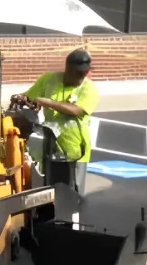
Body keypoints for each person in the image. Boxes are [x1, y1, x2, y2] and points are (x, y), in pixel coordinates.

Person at [11, 47, 98, 198]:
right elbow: (30, 97)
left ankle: (71, 213)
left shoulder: (89, 89)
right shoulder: (49, 79)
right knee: (49, 191)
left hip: (76, 151)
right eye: (77, 74)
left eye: (83, 74)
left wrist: (47, 102)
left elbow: (76, 110)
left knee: (73, 195)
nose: (80, 78)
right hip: (50, 147)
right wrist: (22, 98)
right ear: (67, 69)